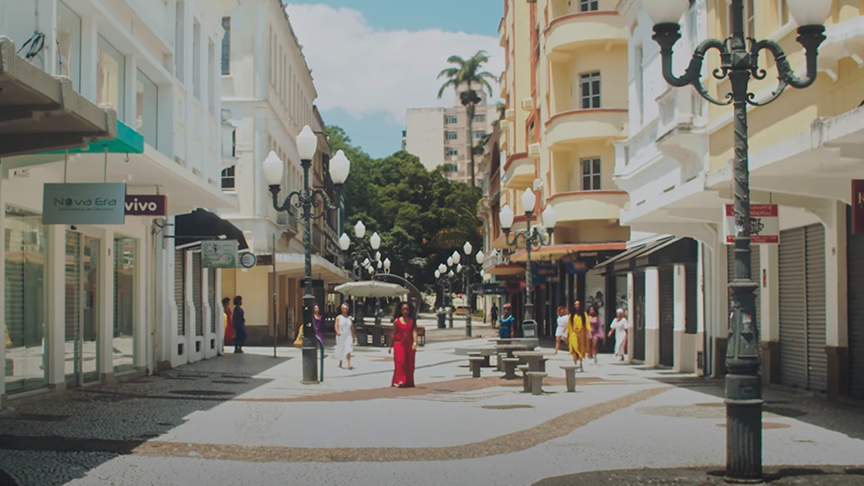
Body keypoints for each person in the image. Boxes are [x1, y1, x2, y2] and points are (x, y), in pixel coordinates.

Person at [388, 301, 417, 388]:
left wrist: (415, 342)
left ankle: (408, 381)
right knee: (400, 362)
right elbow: (393, 333)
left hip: (409, 344)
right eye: (403, 309)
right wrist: (390, 346)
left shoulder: (411, 321)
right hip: (399, 344)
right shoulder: (397, 321)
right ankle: (400, 380)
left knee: (410, 364)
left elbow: (414, 332)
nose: (405, 311)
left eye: (407, 309)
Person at [568, 300, 590, 371]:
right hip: (573, 334)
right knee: (574, 349)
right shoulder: (571, 316)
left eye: (578, 304)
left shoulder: (584, 314)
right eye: (575, 304)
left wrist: (589, 332)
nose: (577, 306)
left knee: (581, 349)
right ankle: (575, 365)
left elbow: (587, 324)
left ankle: (580, 364)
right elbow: (569, 326)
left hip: (582, 335)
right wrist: (568, 335)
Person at [335, 303, 355, 369]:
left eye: (346, 309)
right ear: (341, 309)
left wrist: (353, 335)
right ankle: (340, 361)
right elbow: (336, 326)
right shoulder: (338, 317)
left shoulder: (349, 318)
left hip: (348, 335)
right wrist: (337, 332)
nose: (344, 310)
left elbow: (351, 327)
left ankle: (349, 364)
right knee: (341, 348)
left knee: (348, 348)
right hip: (341, 335)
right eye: (343, 309)